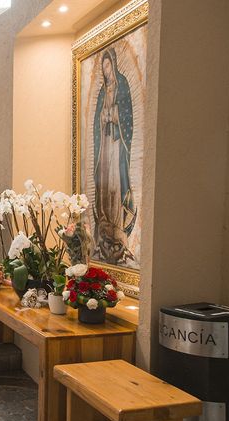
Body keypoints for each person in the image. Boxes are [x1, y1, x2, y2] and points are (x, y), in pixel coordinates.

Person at [92, 48, 137, 265]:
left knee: (115, 184)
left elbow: (127, 117)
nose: (105, 69)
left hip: (117, 143)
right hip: (105, 144)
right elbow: (96, 123)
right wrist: (103, 116)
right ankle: (105, 225)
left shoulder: (123, 86)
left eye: (108, 65)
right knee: (104, 184)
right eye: (103, 66)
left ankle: (118, 225)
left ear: (114, 64)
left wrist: (115, 115)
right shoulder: (102, 91)